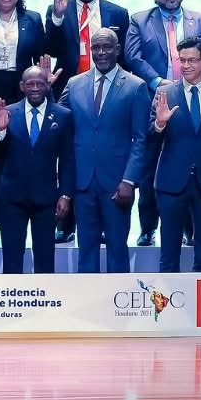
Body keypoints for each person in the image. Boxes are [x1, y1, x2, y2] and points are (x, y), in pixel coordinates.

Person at [124, 0, 201, 248]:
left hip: (193, 99)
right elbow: (133, 56)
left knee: (189, 162)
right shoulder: (139, 20)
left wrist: (195, 81)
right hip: (154, 99)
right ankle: (147, 229)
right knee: (150, 164)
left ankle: (190, 230)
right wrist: (159, 83)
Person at [45, 0, 129, 244]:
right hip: (74, 93)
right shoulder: (59, 9)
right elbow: (50, 48)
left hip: (109, 93)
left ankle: (105, 222)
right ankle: (65, 222)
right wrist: (57, 18)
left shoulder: (118, 13)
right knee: (69, 155)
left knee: (105, 154)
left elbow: (124, 56)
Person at [59, 29, 149, 273]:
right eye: (96, 48)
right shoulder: (74, 84)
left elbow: (141, 139)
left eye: (106, 47)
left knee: (117, 250)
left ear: (117, 49)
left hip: (117, 184)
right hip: (83, 182)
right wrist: (46, 89)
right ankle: (89, 298)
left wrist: (129, 180)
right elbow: (57, 122)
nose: (101, 52)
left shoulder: (135, 86)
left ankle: (117, 299)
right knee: (86, 252)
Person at [143, 38, 201, 273]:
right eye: (182, 60)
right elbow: (149, 139)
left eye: (192, 60)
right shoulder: (164, 93)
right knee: (168, 255)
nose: (186, 65)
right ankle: (169, 298)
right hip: (170, 183)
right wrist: (159, 124)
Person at [0, 66, 73, 274]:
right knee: (12, 259)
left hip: (46, 198)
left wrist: (65, 194)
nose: (35, 88)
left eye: (40, 83)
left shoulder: (63, 116)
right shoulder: (8, 112)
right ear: (22, 86)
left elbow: (68, 159)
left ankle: (45, 296)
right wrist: (1, 131)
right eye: (30, 84)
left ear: (48, 85)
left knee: (45, 259)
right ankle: (13, 295)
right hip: (11, 198)